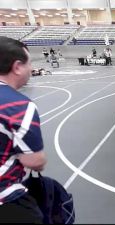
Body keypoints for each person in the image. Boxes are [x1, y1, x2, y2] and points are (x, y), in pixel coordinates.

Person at [0, 37, 47, 223]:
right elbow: (34, 160)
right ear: (17, 66)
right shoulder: (17, 105)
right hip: (7, 199)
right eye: (30, 63)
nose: (31, 68)